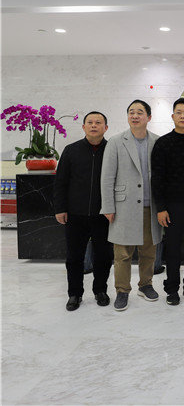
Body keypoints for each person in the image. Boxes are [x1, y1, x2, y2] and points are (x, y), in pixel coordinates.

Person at [100, 99, 162, 311]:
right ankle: (122, 290)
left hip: (150, 206)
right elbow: (107, 177)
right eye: (131, 112)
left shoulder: (157, 141)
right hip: (123, 207)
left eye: (140, 112)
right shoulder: (116, 141)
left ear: (148, 117)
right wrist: (108, 206)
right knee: (122, 253)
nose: (135, 116)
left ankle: (145, 285)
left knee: (149, 251)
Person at [54, 111, 113, 311]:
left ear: (106, 127)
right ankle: (75, 294)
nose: (94, 125)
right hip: (75, 214)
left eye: (98, 122)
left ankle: (100, 290)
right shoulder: (71, 150)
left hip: (103, 214)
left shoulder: (112, 150)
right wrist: (60, 208)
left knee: (103, 256)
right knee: (74, 257)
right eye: (90, 122)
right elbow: (60, 182)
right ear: (83, 127)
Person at [151, 98, 184, 306]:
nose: (183, 116)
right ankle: (172, 288)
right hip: (172, 206)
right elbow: (157, 178)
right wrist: (161, 208)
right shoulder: (163, 143)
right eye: (179, 112)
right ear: (173, 116)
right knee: (172, 249)